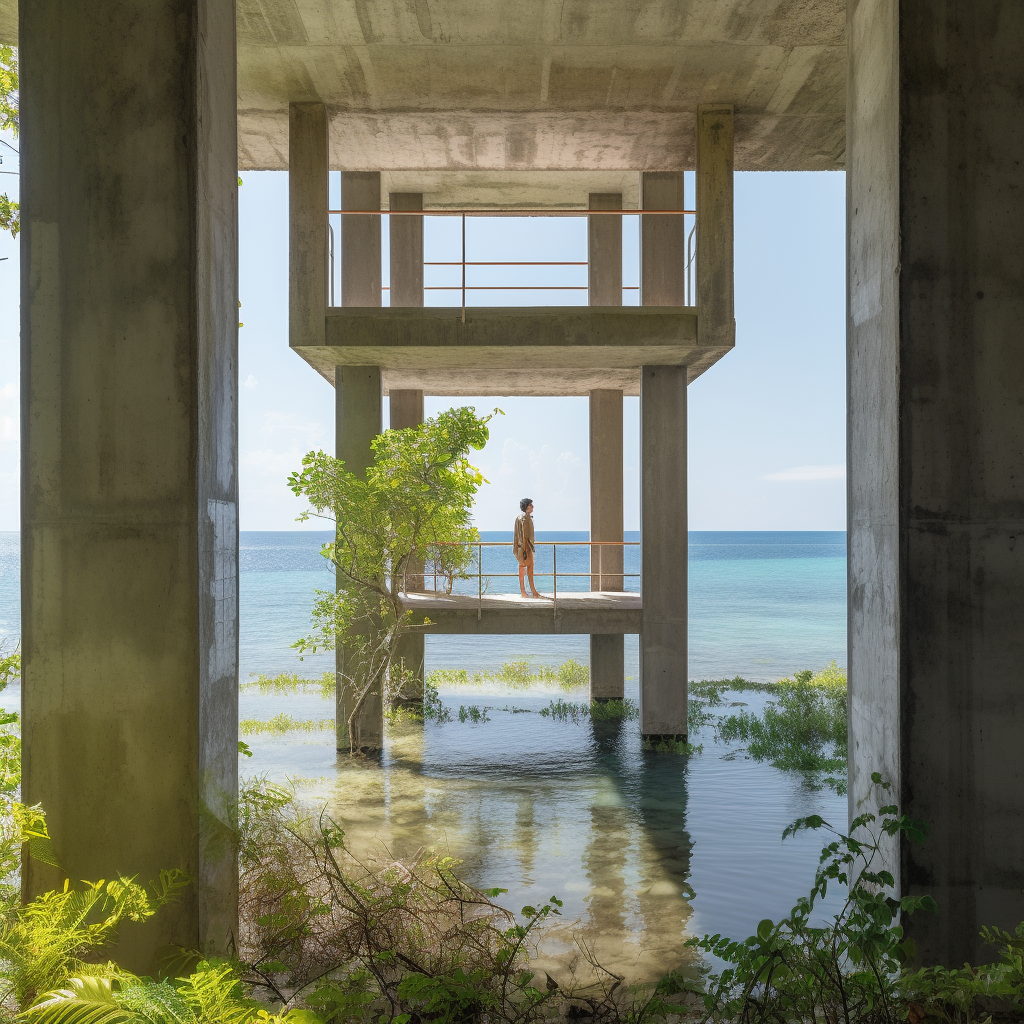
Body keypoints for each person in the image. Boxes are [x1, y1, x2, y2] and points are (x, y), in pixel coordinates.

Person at [513, 497, 542, 598]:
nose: (532, 507)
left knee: (530, 567)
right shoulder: (521, 519)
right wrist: (522, 549)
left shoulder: (529, 518)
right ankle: (523, 591)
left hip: (529, 547)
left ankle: (533, 590)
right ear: (526, 507)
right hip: (522, 548)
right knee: (522, 567)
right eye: (530, 505)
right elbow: (520, 535)